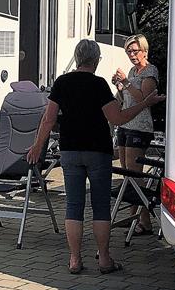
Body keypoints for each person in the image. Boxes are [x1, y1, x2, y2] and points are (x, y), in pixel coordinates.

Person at [26, 38, 162, 275]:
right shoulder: (99, 84)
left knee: (73, 206)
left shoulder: (62, 82)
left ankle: (74, 259)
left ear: (78, 58)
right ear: (96, 60)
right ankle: (104, 259)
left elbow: (48, 119)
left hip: (70, 150)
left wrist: (38, 146)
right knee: (100, 206)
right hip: (98, 150)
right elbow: (117, 118)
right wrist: (145, 104)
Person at [111, 33, 159, 234]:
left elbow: (144, 100)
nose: (131, 55)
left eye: (134, 51)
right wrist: (119, 86)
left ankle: (143, 221)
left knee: (134, 174)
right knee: (126, 173)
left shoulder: (150, 71)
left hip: (140, 127)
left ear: (144, 51)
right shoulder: (132, 71)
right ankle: (135, 217)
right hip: (126, 123)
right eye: (128, 51)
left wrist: (127, 82)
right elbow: (127, 99)